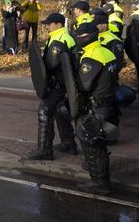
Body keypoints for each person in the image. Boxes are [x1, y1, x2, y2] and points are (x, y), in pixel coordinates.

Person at [72, 22, 119, 195]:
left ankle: (100, 182)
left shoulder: (91, 56)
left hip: (97, 105)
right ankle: (96, 171)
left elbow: (85, 85)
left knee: (92, 141)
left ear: (87, 37)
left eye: (79, 36)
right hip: (109, 102)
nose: (77, 38)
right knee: (97, 141)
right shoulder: (106, 51)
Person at [23, 13, 78, 161]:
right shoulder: (59, 37)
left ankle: (44, 150)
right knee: (60, 110)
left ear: (59, 25)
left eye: (50, 23)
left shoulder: (61, 40)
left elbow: (52, 64)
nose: (47, 26)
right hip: (62, 83)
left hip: (60, 84)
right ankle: (68, 143)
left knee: (45, 110)